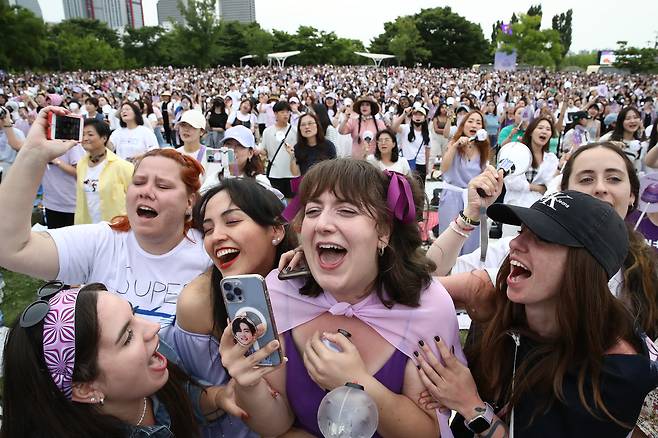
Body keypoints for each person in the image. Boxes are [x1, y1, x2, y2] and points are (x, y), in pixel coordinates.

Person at [219, 159, 465, 438]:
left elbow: (427, 433)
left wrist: (357, 382)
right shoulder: (281, 294)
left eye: (346, 211)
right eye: (312, 210)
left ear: (383, 231)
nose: (322, 224)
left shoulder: (426, 308)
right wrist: (248, 384)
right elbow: (275, 425)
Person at [417, 191, 658, 437]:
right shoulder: (503, 301)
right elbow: (416, 287)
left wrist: (471, 406)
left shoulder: (615, 372)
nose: (514, 243)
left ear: (584, 266)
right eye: (522, 232)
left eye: (541, 238)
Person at [0, 107, 211, 330]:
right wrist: (34, 153)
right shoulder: (103, 240)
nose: (146, 191)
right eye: (138, 182)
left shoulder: (209, 253)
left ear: (190, 202)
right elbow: (11, 249)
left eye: (162, 185)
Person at [2, 282, 245, 438]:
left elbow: (185, 395)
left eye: (134, 313)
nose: (153, 327)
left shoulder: (155, 361)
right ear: (85, 388)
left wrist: (219, 397)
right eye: (128, 336)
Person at [168, 177, 297, 438]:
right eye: (207, 229)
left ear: (276, 231)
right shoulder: (199, 302)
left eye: (233, 221)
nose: (217, 237)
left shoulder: (310, 284)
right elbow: (218, 413)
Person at [438, 110, 490, 255]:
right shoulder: (453, 143)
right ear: (463, 124)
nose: (474, 125)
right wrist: (455, 147)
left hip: (473, 200)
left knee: (470, 240)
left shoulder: (483, 150)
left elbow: (485, 175)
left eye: (478, 122)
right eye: (470, 121)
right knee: (449, 239)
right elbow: (444, 168)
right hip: (452, 197)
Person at [75, 118, 133, 225]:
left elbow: (135, 199)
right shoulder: (81, 164)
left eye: (90, 134)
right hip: (88, 229)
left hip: (115, 229)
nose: (85, 138)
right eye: (82, 134)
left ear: (104, 138)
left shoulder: (122, 166)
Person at [504, 116, 559, 208]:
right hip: (515, 206)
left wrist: (560, 167)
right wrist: (537, 188)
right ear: (531, 132)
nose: (544, 131)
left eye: (548, 129)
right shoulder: (516, 152)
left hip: (538, 209)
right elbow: (510, 181)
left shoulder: (551, 158)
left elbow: (551, 184)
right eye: (540, 128)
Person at [204, 125, 271, 190]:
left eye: (239, 145)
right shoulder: (213, 179)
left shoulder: (260, 181)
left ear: (250, 153)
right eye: (228, 144)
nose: (233, 149)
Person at [261, 100, 297, 198]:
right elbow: (264, 150)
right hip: (275, 173)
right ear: (275, 114)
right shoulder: (267, 131)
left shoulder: (295, 130)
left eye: (288, 112)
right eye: (282, 112)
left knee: (292, 206)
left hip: (292, 173)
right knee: (276, 203)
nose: (285, 115)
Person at [287, 112, 336, 177]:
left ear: (317, 125)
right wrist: (292, 156)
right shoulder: (298, 148)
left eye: (310, 123)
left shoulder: (328, 145)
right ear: (299, 129)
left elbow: (334, 170)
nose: (307, 127)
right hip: (306, 184)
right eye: (303, 125)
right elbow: (295, 173)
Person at [391, 106, 431, 185]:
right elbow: (394, 127)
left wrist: (427, 166)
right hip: (406, 163)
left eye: (420, 115)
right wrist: (404, 114)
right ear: (412, 116)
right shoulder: (405, 129)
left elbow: (427, 150)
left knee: (420, 188)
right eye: (415, 114)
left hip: (421, 164)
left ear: (425, 118)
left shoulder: (428, 133)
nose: (418, 117)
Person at [600, 107, 648, 172]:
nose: (632, 121)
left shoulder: (640, 144)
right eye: (628, 118)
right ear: (621, 122)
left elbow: (638, 169)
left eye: (635, 117)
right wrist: (608, 145)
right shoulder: (609, 138)